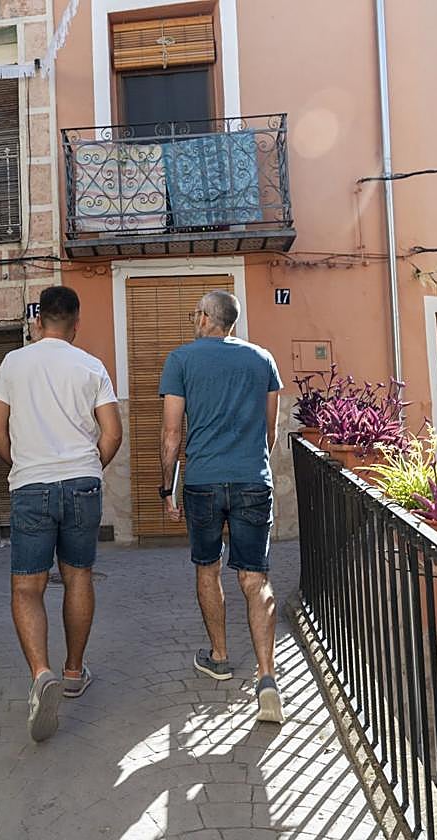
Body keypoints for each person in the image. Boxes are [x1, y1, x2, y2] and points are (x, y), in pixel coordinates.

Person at [0, 285, 123, 742]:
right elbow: (112, 433)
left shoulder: (13, 362)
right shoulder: (91, 366)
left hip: (31, 485)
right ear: (76, 324)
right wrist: (90, 468)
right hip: (82, 483)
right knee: (78, 576)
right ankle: (73, 672)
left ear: (38, 320)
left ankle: (41, 673)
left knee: (28, 587)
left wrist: (22, 464)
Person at [158, 289, 284, 723]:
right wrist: (253, 467)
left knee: (208, 569)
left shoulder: (181, 360)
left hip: (203, 483)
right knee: (255, 577)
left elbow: (171, 435)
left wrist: (167, 488)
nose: (193, 320)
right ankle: (267, 678)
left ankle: (220, 656)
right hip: (253, 480)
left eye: (195, 314)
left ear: (205, 319)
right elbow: (270, 432)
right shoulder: (263, 359)